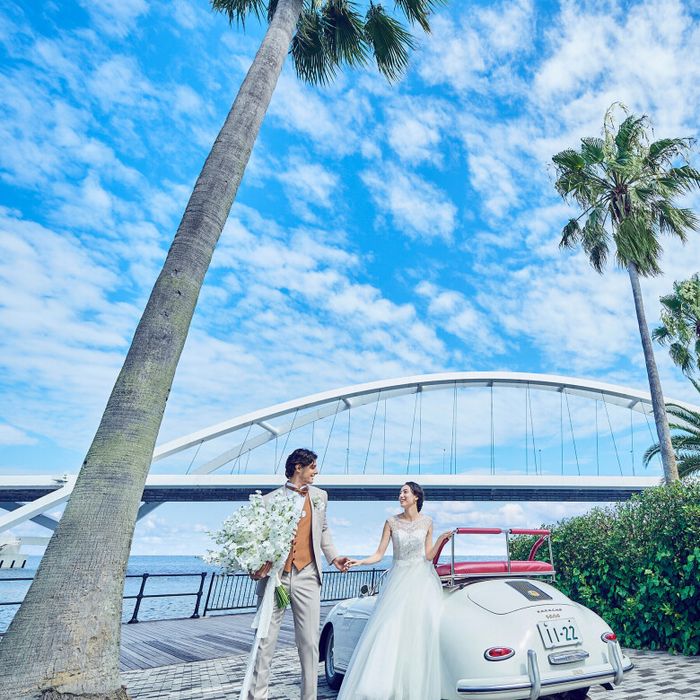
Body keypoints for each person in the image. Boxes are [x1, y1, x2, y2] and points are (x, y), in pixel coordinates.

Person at [246, 448, 349, 700]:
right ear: (298, 467)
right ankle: (257, 696)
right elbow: (255, 540)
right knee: (264, 642)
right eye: (313, 467)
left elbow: (323, 530)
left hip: (308, 575)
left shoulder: (320, 496)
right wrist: (254, 569)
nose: (317, 471)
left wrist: (334, 557)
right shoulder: (267, 501)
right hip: (275, 578)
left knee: (310, 644)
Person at [340, 481, 453, 700]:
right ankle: (383, 688)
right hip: (398, 580)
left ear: (416, 497)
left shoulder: (428, 522)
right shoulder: (391, 522)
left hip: (420, 581)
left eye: (405, 492)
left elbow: (428, 556)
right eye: (400, 492)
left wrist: (440, 540)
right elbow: (379, 555)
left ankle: (412, 688)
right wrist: (360, 562)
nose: (401, 495)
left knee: (418, 632)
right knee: (390, 628)